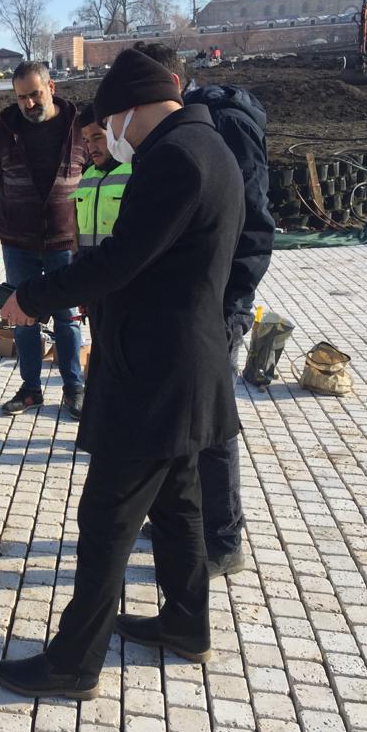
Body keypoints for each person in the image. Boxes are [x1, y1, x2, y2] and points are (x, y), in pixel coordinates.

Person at [0, 48, 244, 699]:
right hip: (184, 367)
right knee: (179, 503)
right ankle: (187, 623)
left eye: (110, 123)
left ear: (130, 109)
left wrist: (34, 298)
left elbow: (120, 261)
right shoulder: (206, 148)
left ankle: (74, 663)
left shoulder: (175, 160)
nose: (109, 137)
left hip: (155, 376)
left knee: (106, 515)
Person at [133, 41, 275, 578]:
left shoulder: (222, 126)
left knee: (211, 423)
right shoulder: (181, 128)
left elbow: (253, 223)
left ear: (168, 85)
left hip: (216, 301)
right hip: (185, 298)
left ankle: (223, 538)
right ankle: (186, 521)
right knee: (185, 417)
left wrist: (230, 300)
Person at [0, 60, 88, 419]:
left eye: (35, 94)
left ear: (51, 87)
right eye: (22, 97)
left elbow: (94, 169)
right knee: (22, 316)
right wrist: (17, 199)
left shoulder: (78, 127)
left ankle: (74, 388)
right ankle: (30, 389)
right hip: (18, 242)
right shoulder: (3, 130)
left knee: (67, 316)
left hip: (64, 240)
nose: (28, 104)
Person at [71, 104, 131, 254]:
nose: (91, 148)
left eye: (97, 137)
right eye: (86, 140)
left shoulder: (135, 172)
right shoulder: (86, 176)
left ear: (115, 132)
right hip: (88, 267)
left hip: (122, 270)